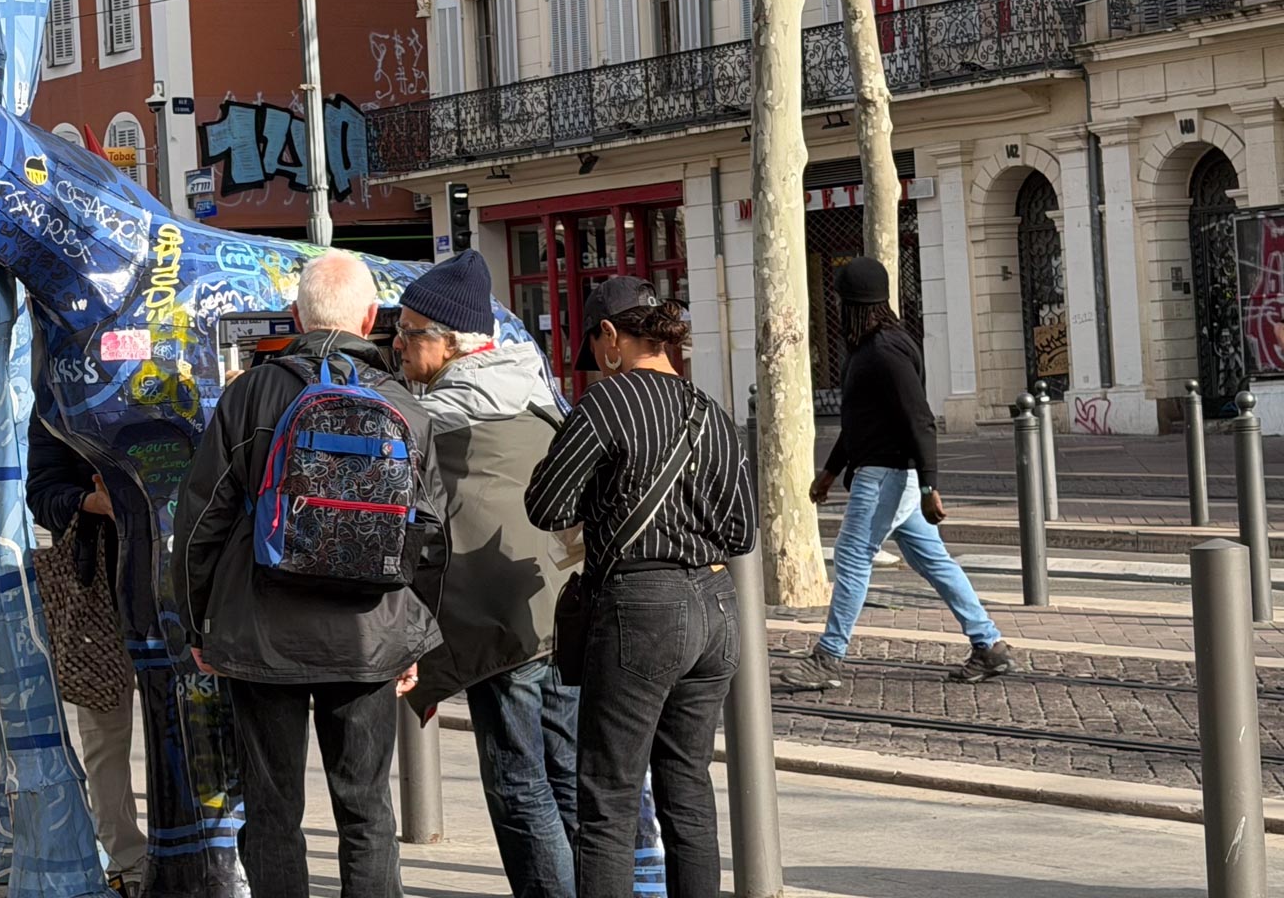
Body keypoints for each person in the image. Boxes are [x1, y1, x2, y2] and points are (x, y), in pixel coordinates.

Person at [173, 250, 448, 898]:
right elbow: (432, 535)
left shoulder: (251, 395)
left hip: (263, 633)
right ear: (372, 317)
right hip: (369, 637)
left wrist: (196, 621)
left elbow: (201, 519)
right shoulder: (405, 407)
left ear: (296, 315)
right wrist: (414, 638)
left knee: (272, 814)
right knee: (366, 810)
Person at [525, 277, 755, 898]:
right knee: (689, 788)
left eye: (595, 348)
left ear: (610, 337)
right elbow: (743, 532)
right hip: (716, 605)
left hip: (641, 607)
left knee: (608, 796)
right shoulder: (715, 412)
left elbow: (545, 506)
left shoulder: (608, 402)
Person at [391, 249, 580, 898]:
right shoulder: (534, 387)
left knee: (519, 784)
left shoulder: (436, 420)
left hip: (499, 625)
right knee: (568, 773)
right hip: (560, 602)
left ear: (447, 343)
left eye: (408, 331)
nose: (397, 343)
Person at [782, 256, 1014, 689]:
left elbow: (918, 419)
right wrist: (830, 472)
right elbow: (862, 421)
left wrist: (930, 485)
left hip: (887, 474)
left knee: (852, 558)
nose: (834, 308)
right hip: (891, 473)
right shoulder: (881, 345)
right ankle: (989, 644)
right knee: (934, 561)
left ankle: (828, 657)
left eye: (838, 301)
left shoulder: (882, 352)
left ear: (849, 305)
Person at [27, 383, 145, 892]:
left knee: (186, 730)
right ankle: (127, 861)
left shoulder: (181, 379)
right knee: (104, 731)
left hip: (179, 584)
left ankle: (189, 848)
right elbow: (42, 494)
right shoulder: (57, 396)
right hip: (97, 585)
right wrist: (88, 502)